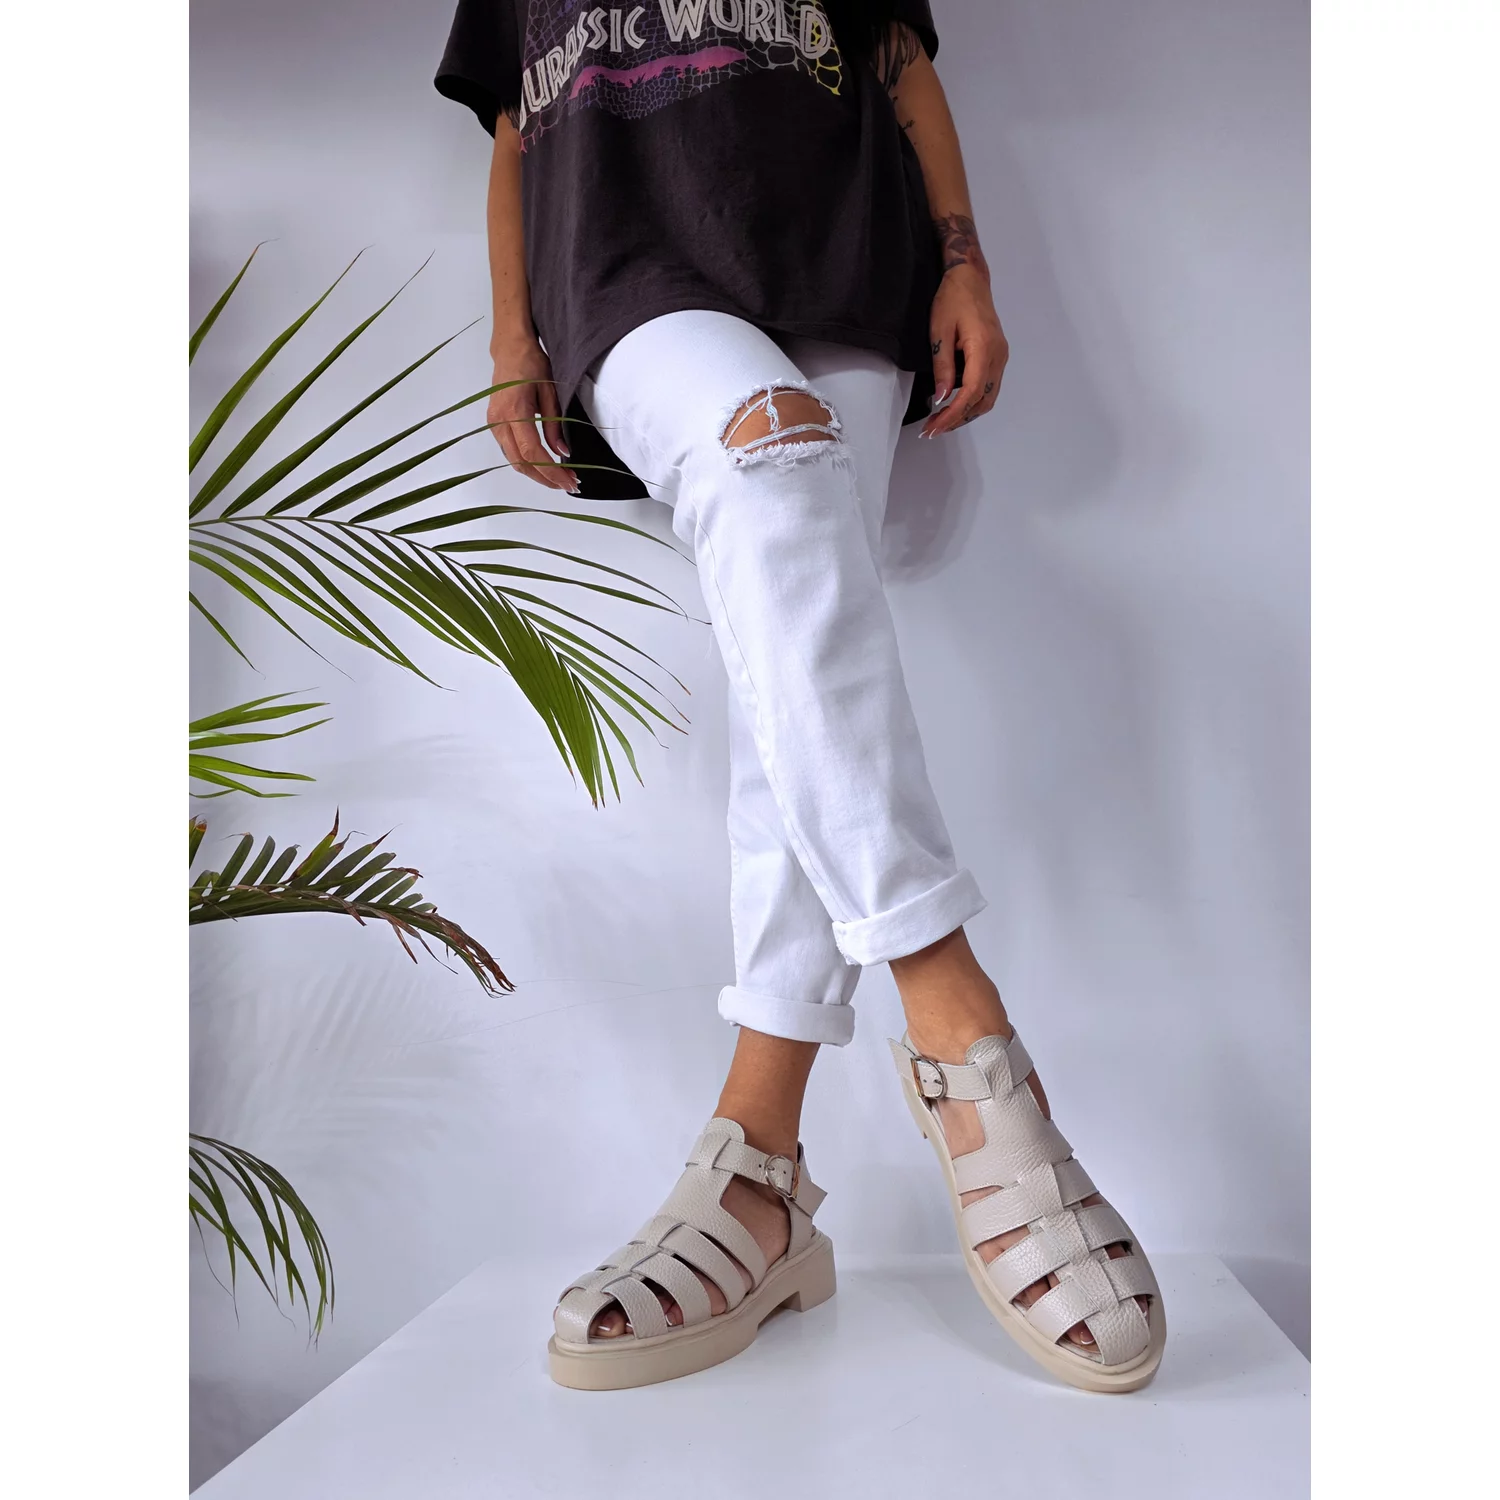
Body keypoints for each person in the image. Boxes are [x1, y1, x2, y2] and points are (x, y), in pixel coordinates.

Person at [435, 0, 1162, 1394]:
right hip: (626, 271)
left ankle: (755, 1175)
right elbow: (517, 134)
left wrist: (966, 262)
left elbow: (900, 63)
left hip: (844, 262)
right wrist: (511, 336)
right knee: (767, 463)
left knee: (799, 674)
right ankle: (960, 1024)